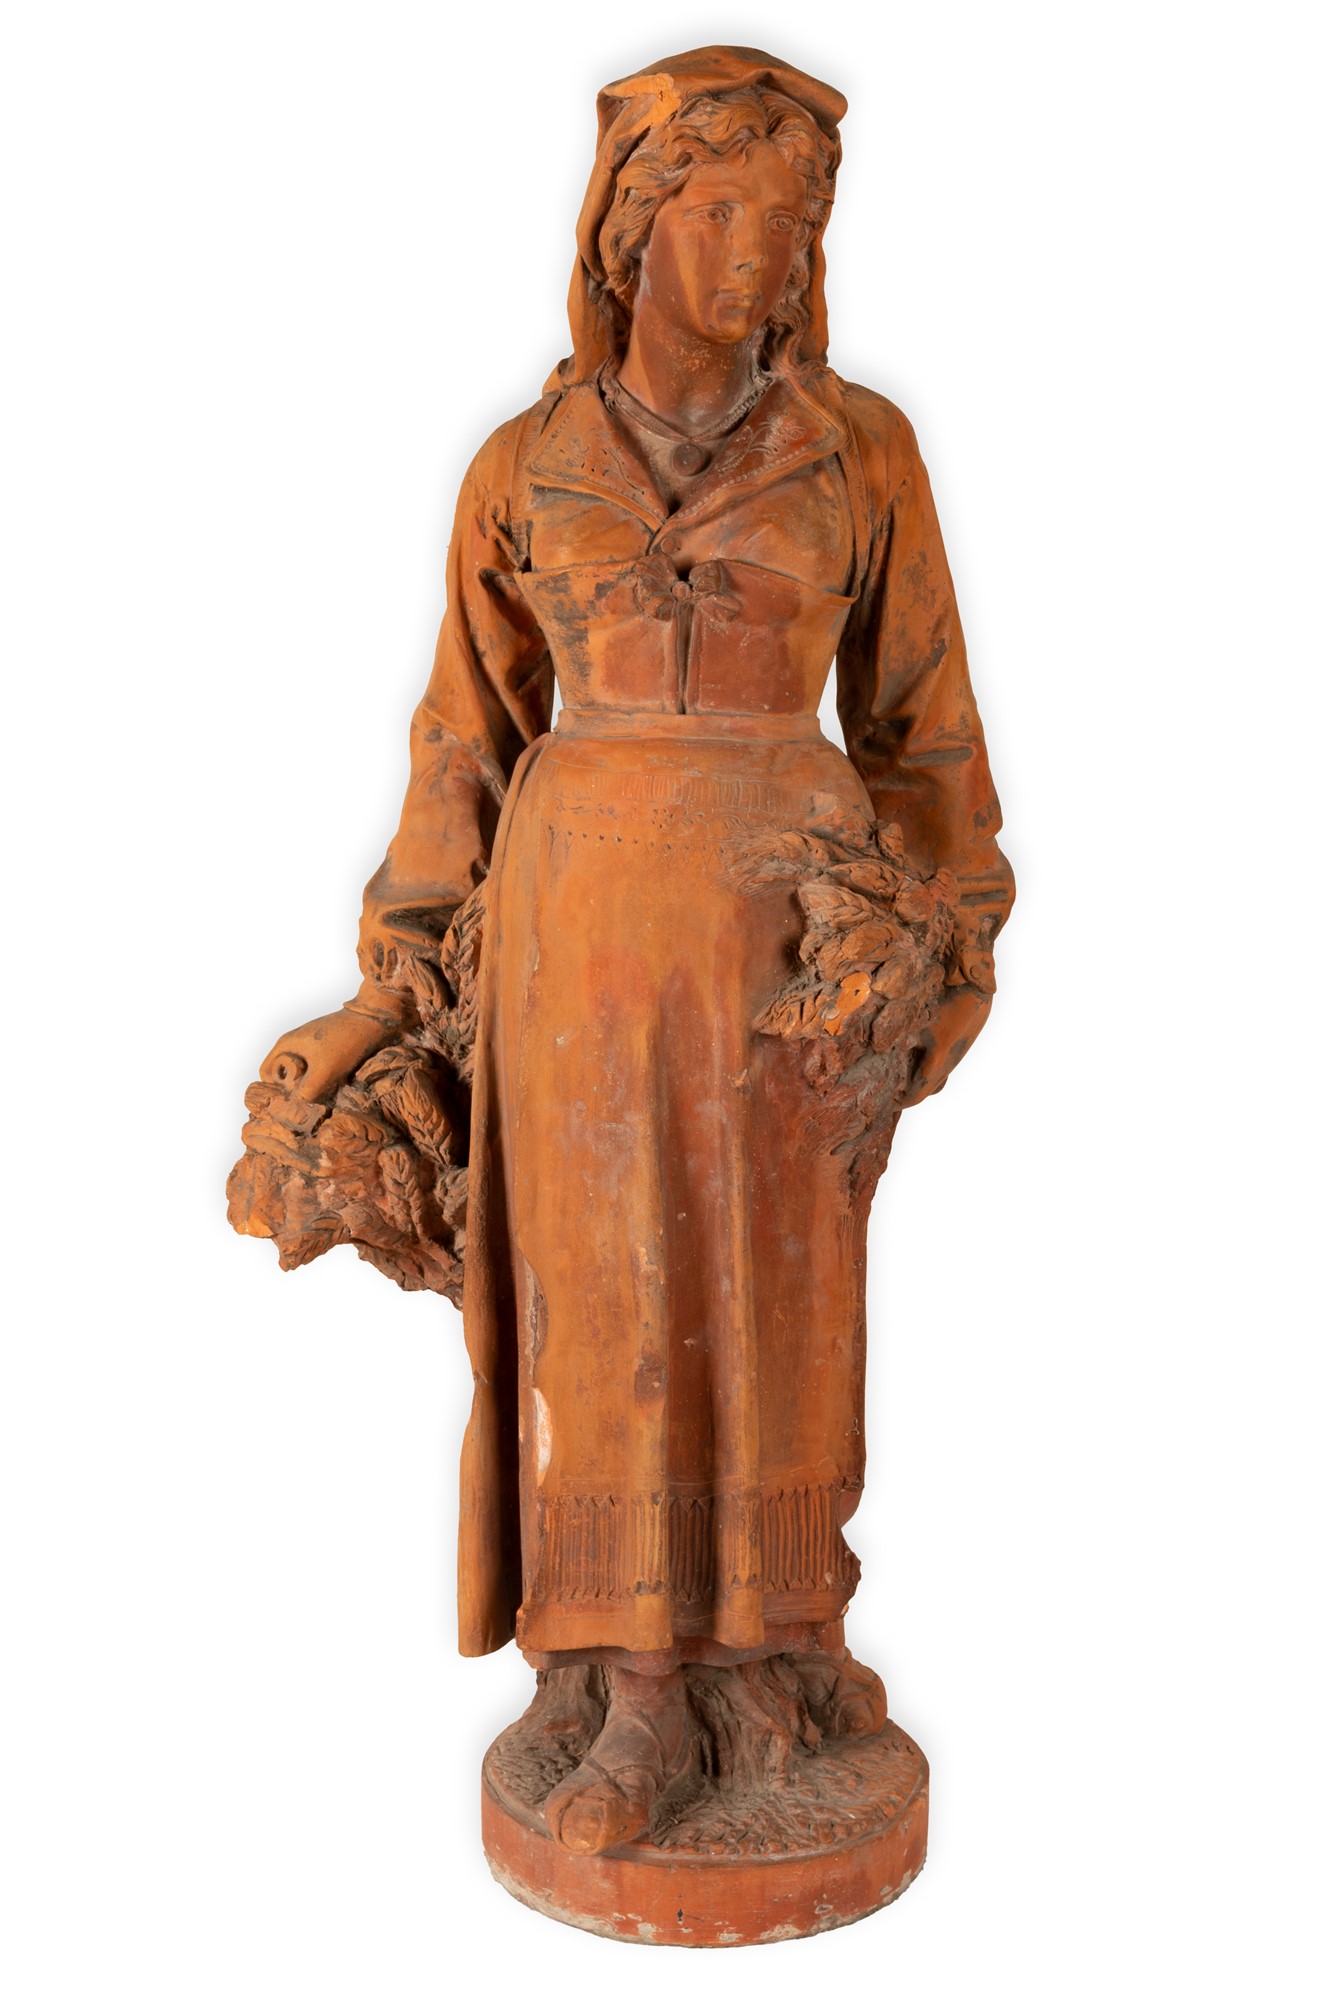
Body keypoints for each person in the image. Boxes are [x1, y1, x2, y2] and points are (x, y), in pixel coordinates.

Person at [256, 46, 1013, 1857]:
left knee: (779, 1299)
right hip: (574, 937)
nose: (761, 252)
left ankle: (769, 1657)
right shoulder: (522, 468)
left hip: (784, 942)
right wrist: (395, 981)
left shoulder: (859, 450)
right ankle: (626, 1687)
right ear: (631, 228)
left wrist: (940, 942)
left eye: (794, 219)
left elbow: (924, 734)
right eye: (723, 211)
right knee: (601, 1297)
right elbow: (463, 740)